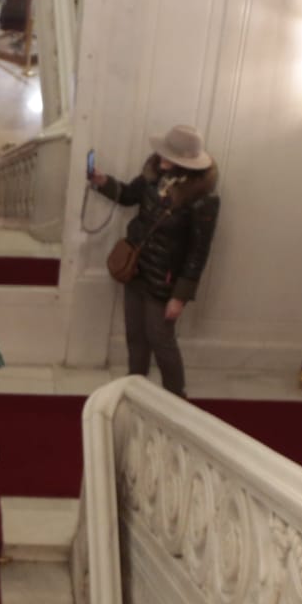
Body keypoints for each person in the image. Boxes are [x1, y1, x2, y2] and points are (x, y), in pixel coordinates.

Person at [87, 124, 222, 399]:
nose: (160, 156)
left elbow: (198, 252)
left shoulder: (203, 200)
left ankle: (175, 398)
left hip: (165, 281)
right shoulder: (154, 175)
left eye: (168, 153)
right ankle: (134, 388)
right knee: (135, 336)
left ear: (184, 160)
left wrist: (180, 297)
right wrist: (103, 182)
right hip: (136, 270)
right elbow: (127, 196)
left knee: (161, 342)